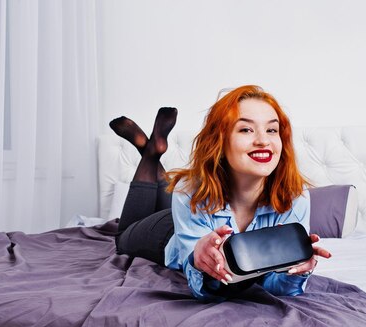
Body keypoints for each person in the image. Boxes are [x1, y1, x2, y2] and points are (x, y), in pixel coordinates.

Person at [110, 85, 331, 301]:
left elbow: (275, 285)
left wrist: (297, 271)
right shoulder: (189, 193)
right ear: (220, 140)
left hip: (192, 217)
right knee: (122, 237)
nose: (263, 140)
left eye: (272, 130)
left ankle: (150, 151)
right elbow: (202, 287)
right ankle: (149, 155)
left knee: (174, 190)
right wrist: (199, 260)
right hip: (164, 234)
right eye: (246, 129)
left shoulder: (295, 197)